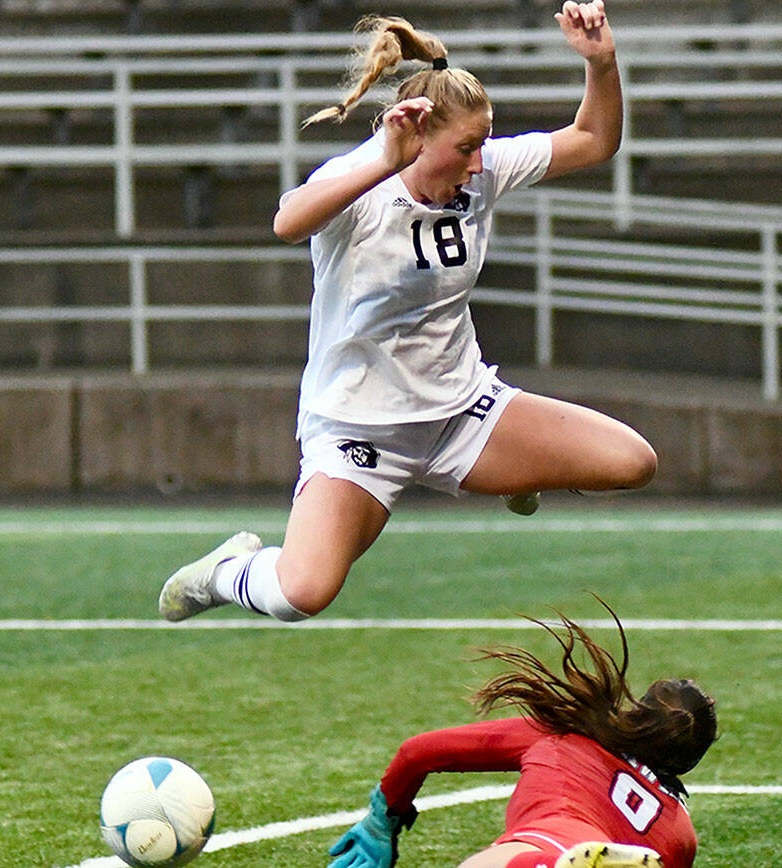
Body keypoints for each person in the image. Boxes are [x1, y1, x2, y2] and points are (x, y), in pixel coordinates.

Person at [159, 0, 656, 624]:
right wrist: (382, 163)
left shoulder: (482, 171)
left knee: (632, 463)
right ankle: (227, 571)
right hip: (360, 430)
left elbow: (593, 139)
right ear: (418, 141)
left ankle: (513, 472)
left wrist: (602, 63)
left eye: (484, 142)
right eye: (466, 147)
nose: (480, 162)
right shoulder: (364, 183)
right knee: (300, 594)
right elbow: (287, 222)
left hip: (460, 411)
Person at [327, 607, 718, 868]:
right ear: (689, 761)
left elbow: (419, 752)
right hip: (592, 850)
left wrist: (382, 821)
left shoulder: (569, 736)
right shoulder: (680, 834)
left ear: (637, 711)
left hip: (535, 846)